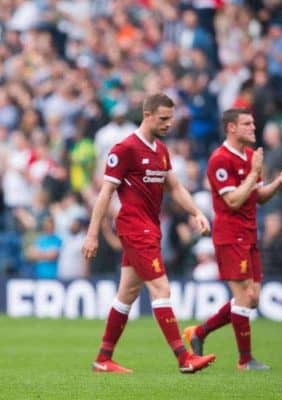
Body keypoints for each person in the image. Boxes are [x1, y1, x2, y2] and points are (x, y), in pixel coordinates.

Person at [82, 93, 216, 374]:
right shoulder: (125, 149)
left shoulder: (161, 150)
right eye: (164, 119)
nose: (169, 124)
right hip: (134, 227)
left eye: (171, 119)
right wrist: (93, 234)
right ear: (147, 115)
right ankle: (184, 358)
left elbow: (176, 188)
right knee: (161, 289)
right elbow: (105, 194)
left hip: (150, 227)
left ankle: (103, 359)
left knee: (127, 293)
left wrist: (196, 213)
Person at [183, 108, 282, 371]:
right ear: (231, 128)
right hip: (229, 235)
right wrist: (253, 173)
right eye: (247, 123)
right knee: (245, 296)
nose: (253, 128)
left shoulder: (249, 156)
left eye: (253, 123)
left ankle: (200, 332)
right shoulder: (219, 160)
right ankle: (245, 360)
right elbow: (233, 201)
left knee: (253, 298)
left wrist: (279, 183)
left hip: (249, 233)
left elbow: (258, 196)